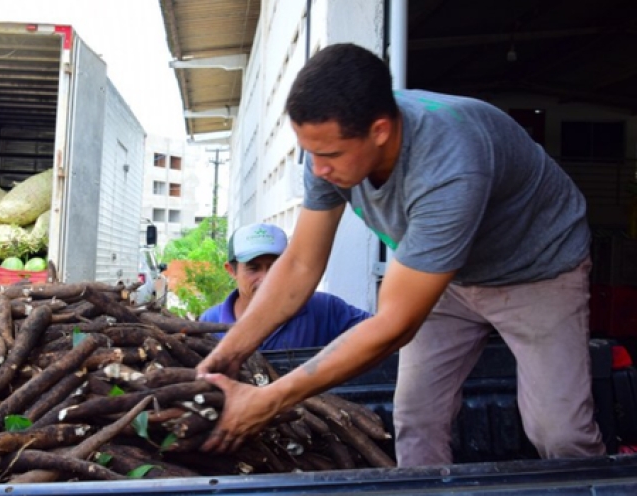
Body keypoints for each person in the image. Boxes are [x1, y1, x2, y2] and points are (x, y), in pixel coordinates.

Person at [196, 42, 605, 467]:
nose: (317, 170)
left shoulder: (451, 165)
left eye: (330, 154)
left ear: (380, 131)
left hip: (537, 268)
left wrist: (270, 399)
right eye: (309, 152)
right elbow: (299, 265)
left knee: (559, 432)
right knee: (415, 417)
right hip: (444, 275)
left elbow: (395, 324)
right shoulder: (328, 148)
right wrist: (226, 356)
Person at [199, 222, 371, 350]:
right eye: (253, 268)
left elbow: (383, 331)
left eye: (275, 267)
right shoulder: (210, 323)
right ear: (232, 270)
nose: (266, 279)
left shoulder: (325, 310)